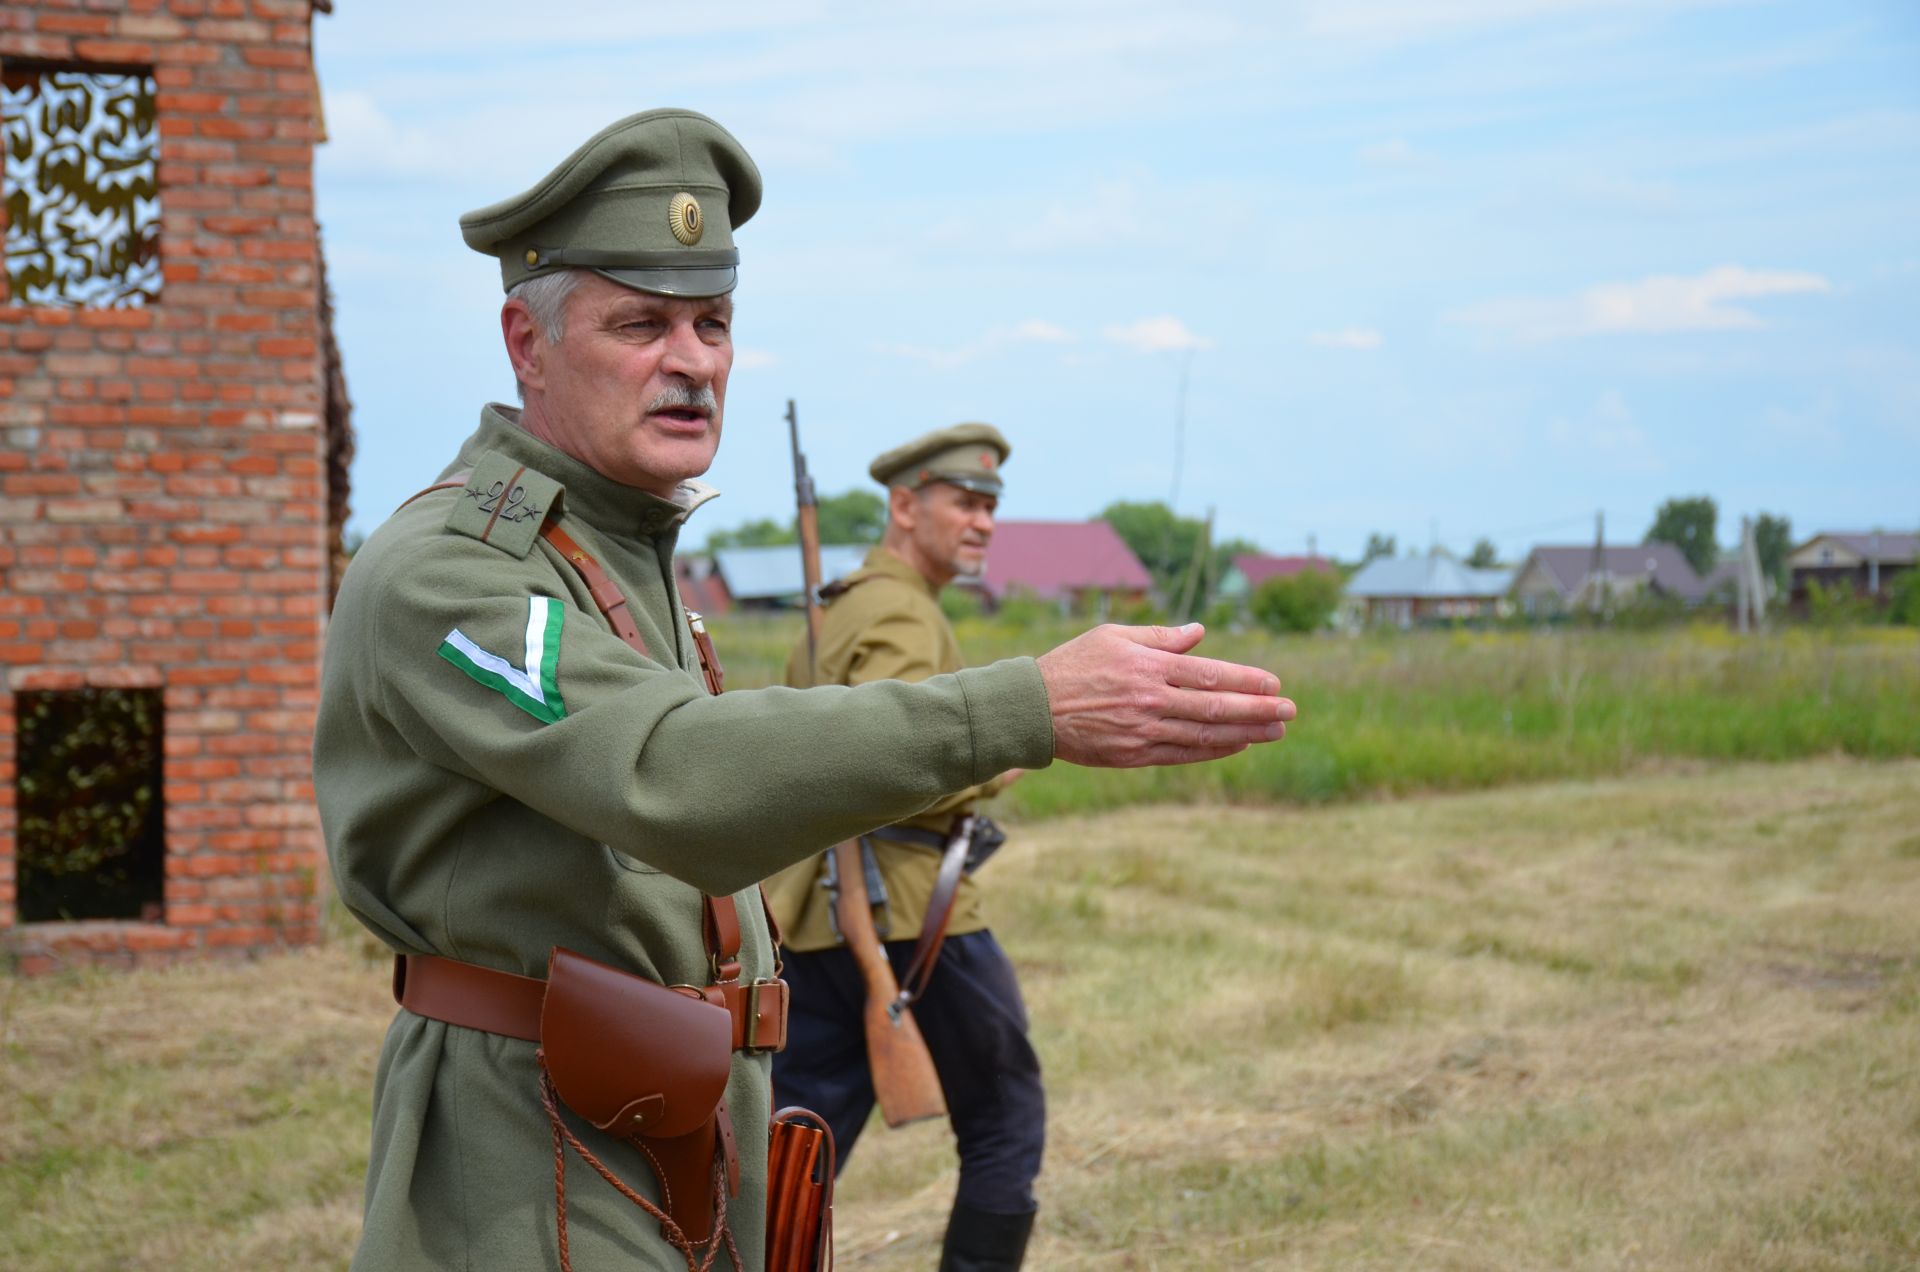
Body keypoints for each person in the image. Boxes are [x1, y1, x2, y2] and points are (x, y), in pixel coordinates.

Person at [314, 107, 1296, 1272]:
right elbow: (672, 773)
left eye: (712, 322)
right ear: (525, 343)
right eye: (640, 323)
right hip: (534, 1149)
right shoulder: (454, 570)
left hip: (671, 1121)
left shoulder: (615, 547)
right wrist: (1024, 706)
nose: (693, 361)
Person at [764, 422, 1046, 1270]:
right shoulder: (898, 611)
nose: (983, 522)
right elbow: (904, 756)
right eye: (964, 501)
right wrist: (997, 757)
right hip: (912, 909)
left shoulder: (851, 602)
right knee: (1005, 1121)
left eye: (991, 506)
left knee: (793, 1144)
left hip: (817, 913)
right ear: (903, 506)